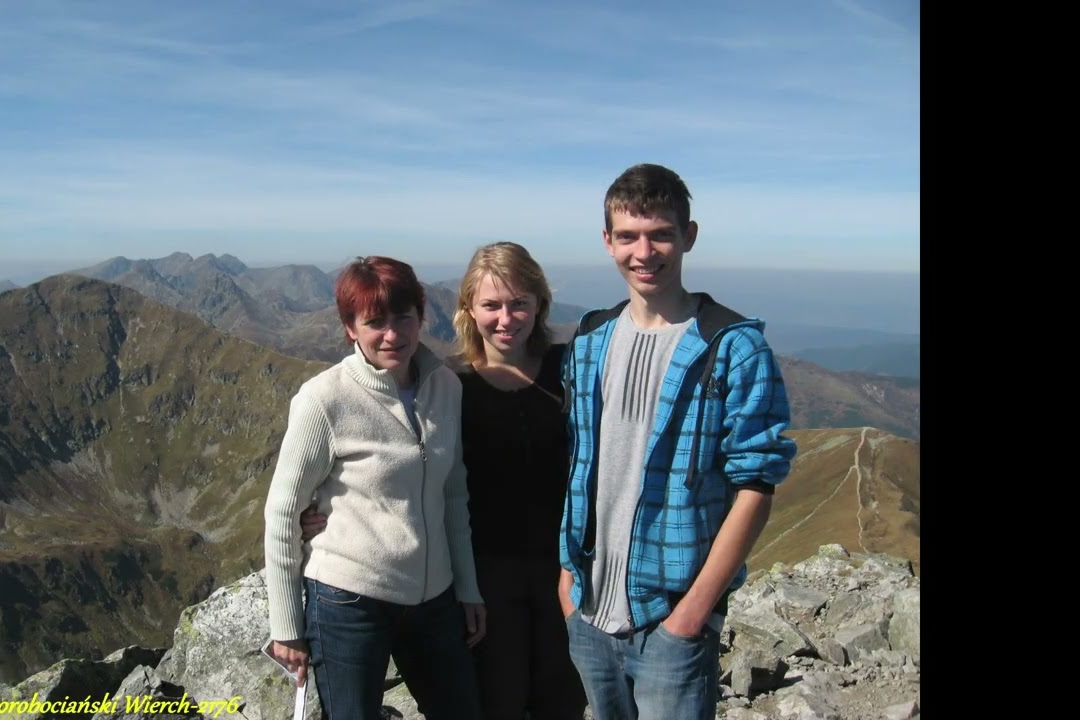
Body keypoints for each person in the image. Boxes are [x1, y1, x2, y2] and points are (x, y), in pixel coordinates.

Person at [302, 242, 587, 720]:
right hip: (485, 578)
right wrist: (327, 512)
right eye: (491, 305)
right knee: (497, 701)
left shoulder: (573, 369)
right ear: (468, 311)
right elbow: (407, 469)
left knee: (563, 702)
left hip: (567, 572)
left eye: (519, 302)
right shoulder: (454, 386)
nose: (506, 318)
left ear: (540, 303)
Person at [557, 163, 799, 720]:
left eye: (660, 233)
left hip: (670, 618)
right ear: (607, 242)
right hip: (588, 611)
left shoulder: (733, 347)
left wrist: (692, 615)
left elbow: (756, 486)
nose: (644, 252)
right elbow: (580, 464)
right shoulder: (591, 338)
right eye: (628, 237)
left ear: (688, 236)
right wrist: (568, 583)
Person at [263, 255, 486, 720]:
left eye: (403, 317)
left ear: (421, 316)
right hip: (349, 602)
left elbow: (453, 494)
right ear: (350, 328)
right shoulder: (324, 399)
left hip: (435, 600)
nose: (393, 334)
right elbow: (284, 511)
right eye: (374, 321)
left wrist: (467, 588)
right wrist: (286, 625)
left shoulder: (445, 386)